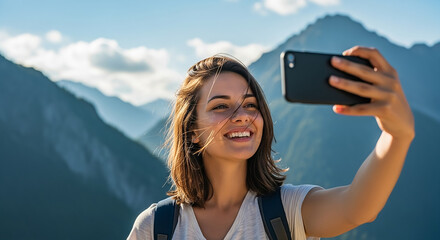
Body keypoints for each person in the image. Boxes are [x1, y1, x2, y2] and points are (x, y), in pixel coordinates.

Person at [127, 46, 415, 240]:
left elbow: (358, 207)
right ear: (191, 130)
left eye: (250, 104)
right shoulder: (155, 227)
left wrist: (396, 136)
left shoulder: (286, 211)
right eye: (220, 106)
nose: (242, 117)